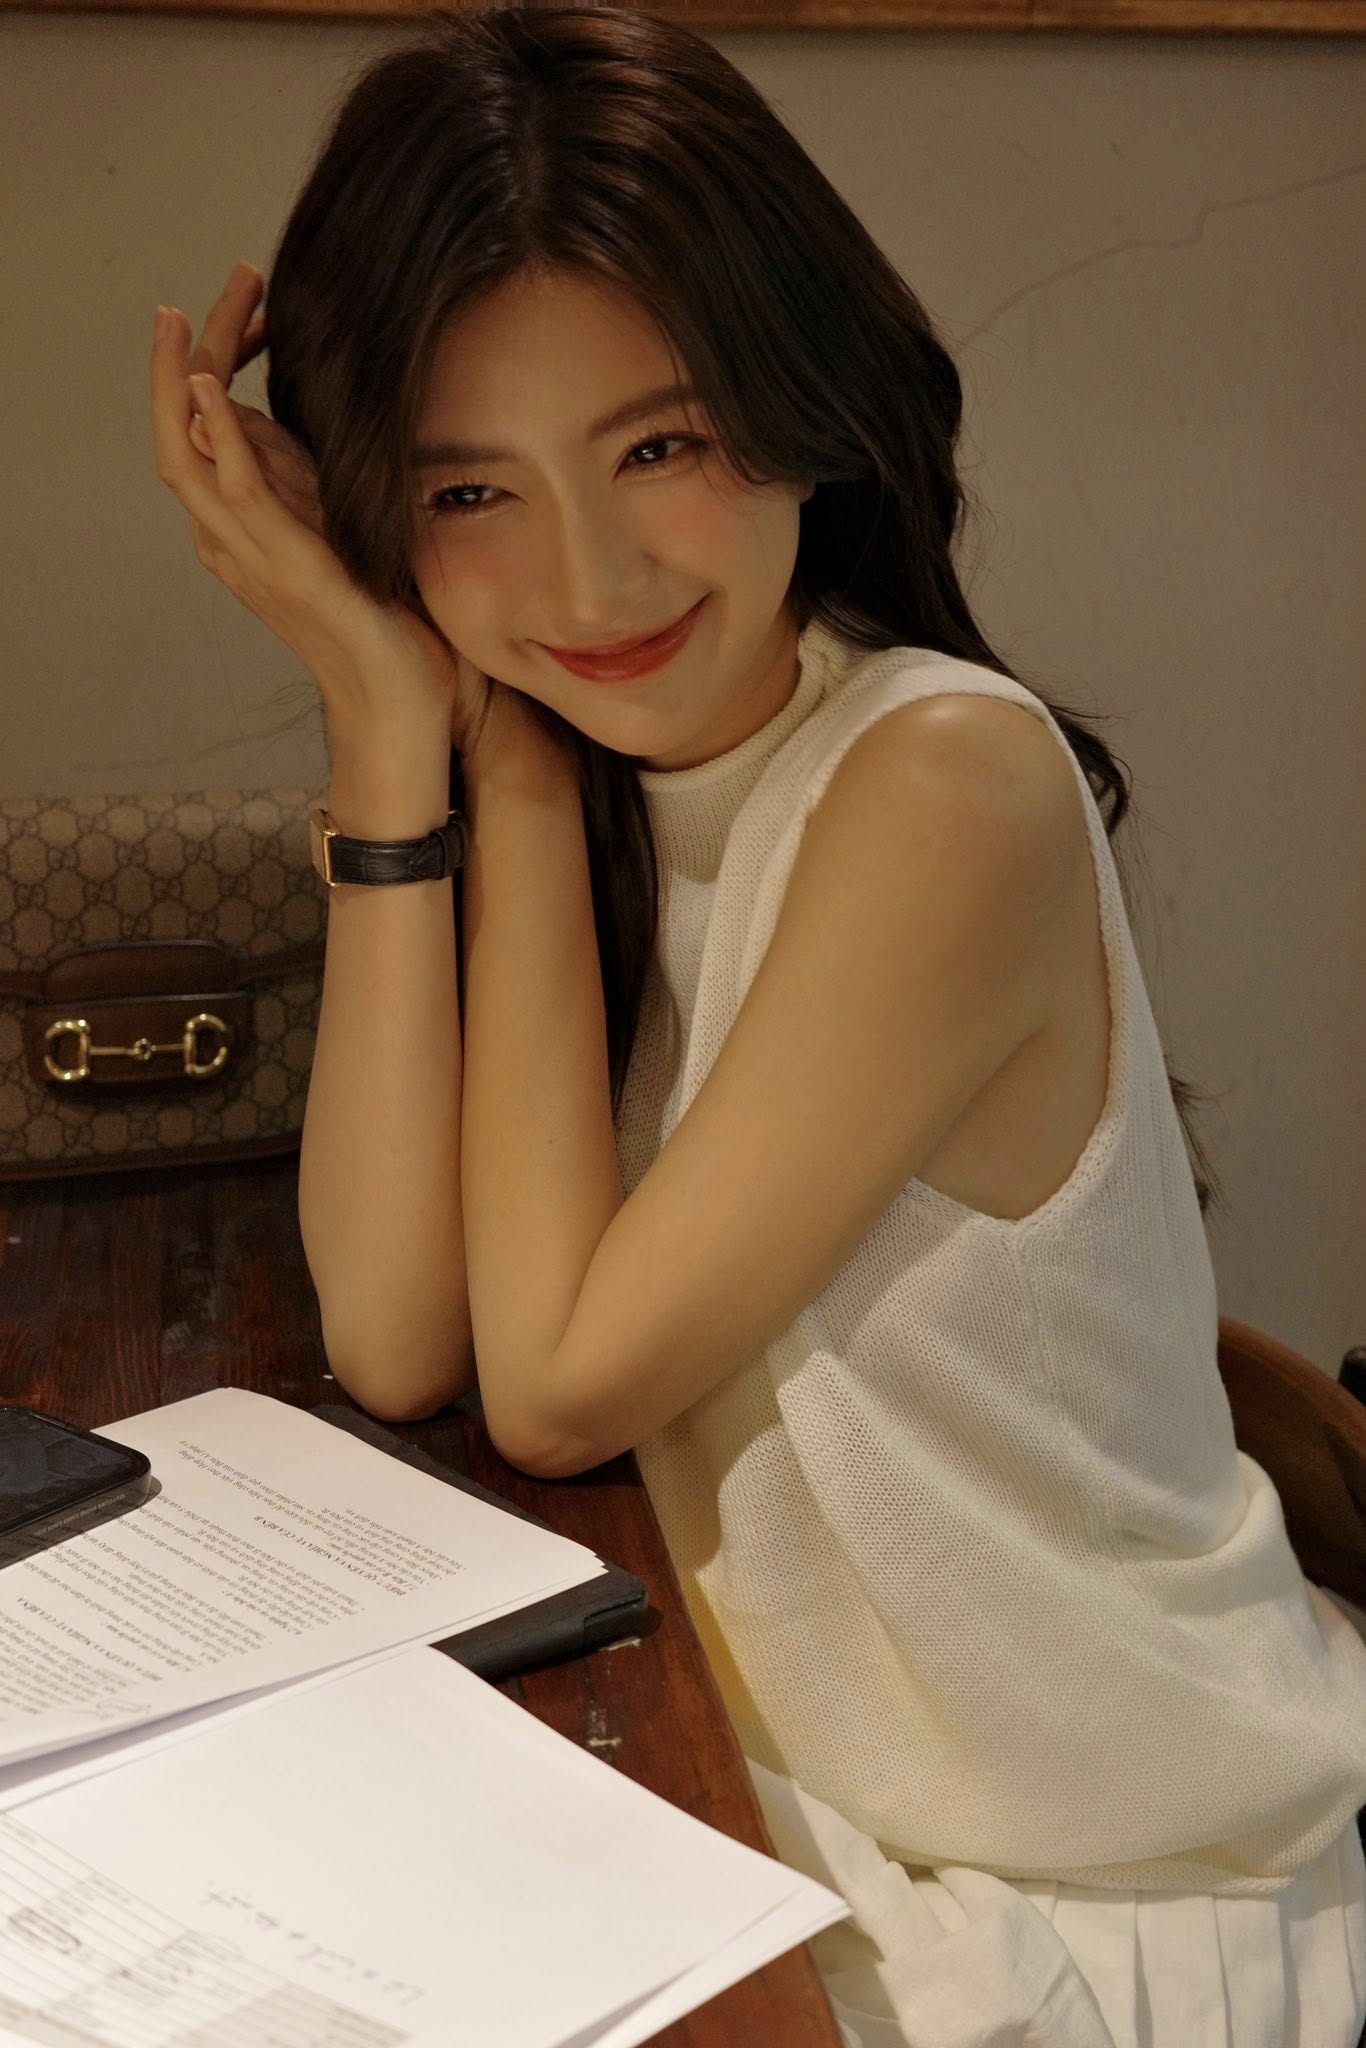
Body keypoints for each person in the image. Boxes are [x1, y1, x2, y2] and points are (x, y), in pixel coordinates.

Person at [149, 9, 1366, 2042]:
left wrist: (499, 755)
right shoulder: (601, 773)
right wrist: (387, 712)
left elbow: (554, 1390)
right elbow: (400, 1328)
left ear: (806, 401)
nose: (589, 571)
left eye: (662, 444)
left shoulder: (937, 784)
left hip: (1090, 1877)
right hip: (762, 1790)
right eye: (470, 490)